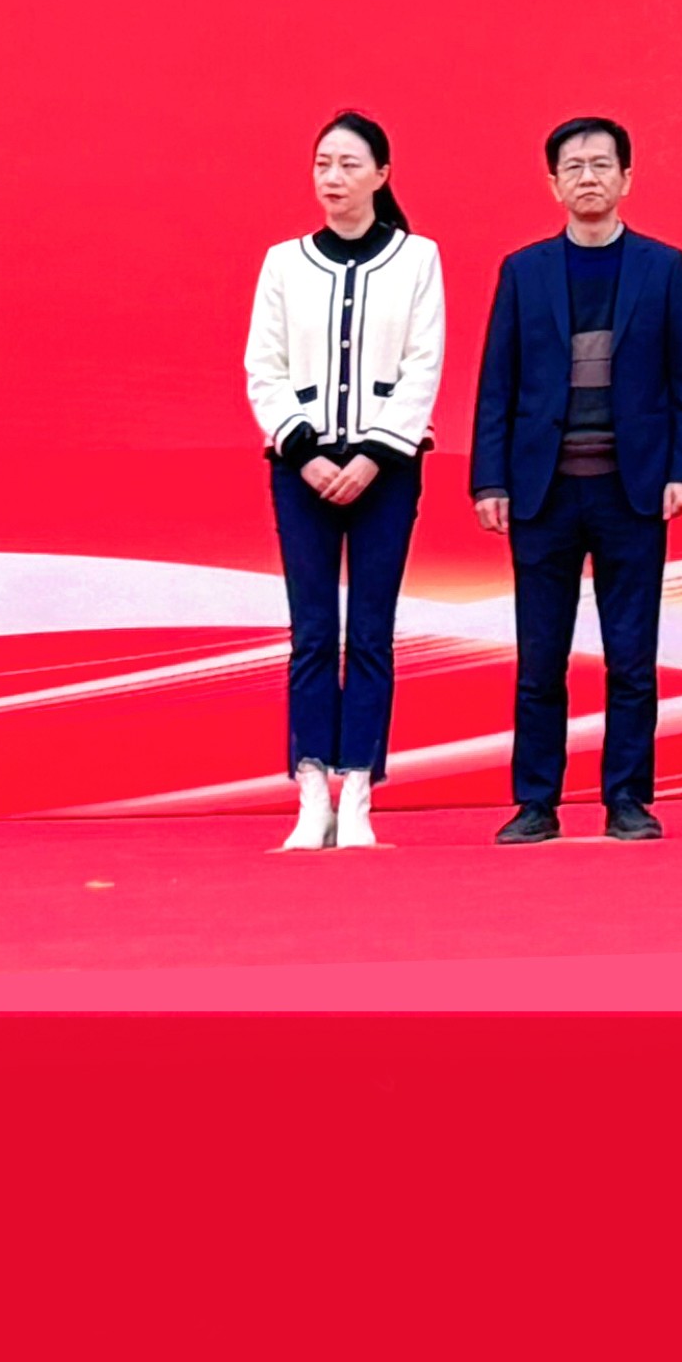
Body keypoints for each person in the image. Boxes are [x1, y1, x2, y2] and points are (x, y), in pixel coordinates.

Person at [468, 115, 682, 844]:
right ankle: (535, 802)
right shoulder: (524, 271)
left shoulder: (663, 267)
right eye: (572, 167)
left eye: (602, 164)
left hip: (631, 488)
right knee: (540, 658)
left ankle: (627, 798)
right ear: (553, 184)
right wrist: (489, 482)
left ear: (627, 178)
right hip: (542, 489)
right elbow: (497, 383)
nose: (588, 178)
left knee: (631, 657)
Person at [240, 112, 443, 851]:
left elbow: (422, 365)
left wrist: (372, 456)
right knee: (313, 633)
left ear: (382, 174)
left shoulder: (417, 258)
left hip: (385, 470)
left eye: (350, 164)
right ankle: (310, 794)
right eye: (322, 163)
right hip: (303, 471)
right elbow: (264, 367)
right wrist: (305, 451)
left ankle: (358, 792)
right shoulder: (284, 263)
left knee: (371, 634)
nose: (333, 177)